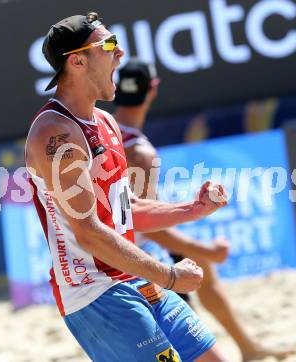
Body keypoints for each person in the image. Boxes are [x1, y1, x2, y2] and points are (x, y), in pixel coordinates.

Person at [25, 13, 230, 362]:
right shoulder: (57, 134)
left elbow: (126, 209)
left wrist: (192, 209)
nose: (119, 54)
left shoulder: (105, 122)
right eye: (108, 45)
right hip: (95, 292)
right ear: (76, 61)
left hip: (132, 277)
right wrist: (168, 275)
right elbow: (89, 233)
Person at [113, 58, 296, 362]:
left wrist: (200, 251)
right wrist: (207, 249)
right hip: (134, 261)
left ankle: (248, 347)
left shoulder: (105, 131)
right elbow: (146, 226)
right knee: (187, 327)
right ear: (153, 88)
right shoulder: (139, 151)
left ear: (116, 89)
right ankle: (241, 347)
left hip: (110, 250)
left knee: (199, 265)